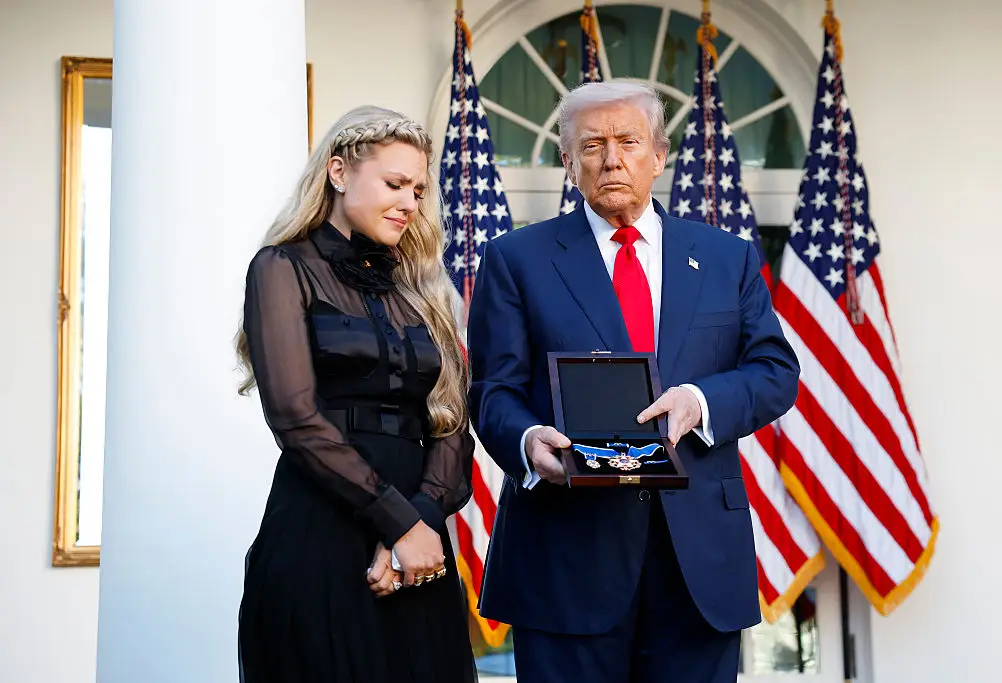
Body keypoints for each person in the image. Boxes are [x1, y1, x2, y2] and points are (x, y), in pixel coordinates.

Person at [467, 82, 800, 683]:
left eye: (628, 142)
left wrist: (700, 401)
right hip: (567, 554)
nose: (612, 160)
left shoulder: (726, 257)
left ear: (659, 155)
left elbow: (775, 371)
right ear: (568, 162)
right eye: (592, 145)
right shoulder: (515, 259)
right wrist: (528, 441)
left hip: (698, 559)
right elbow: (493, 393)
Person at [236, 105, 477, 683]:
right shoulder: (281, 267)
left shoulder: (423, 286)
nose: (410, 203)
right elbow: (294, 416)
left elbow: (450, 421)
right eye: (395, 184)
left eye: (418, 190)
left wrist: (420, 522)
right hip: (321, 528)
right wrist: (398, 523)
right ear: (339, 172)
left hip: (420, 544)